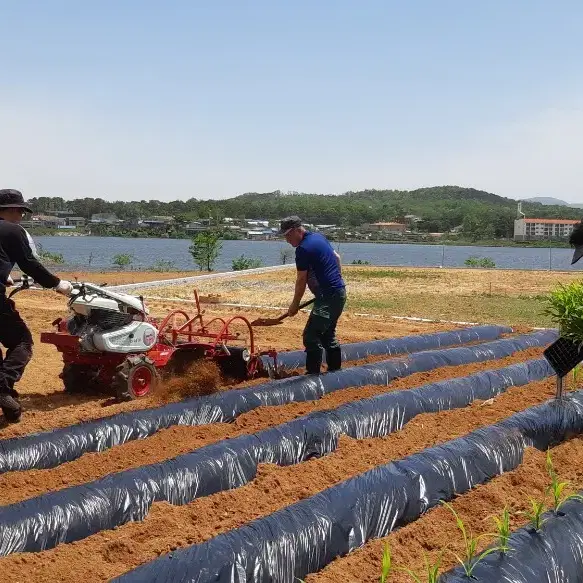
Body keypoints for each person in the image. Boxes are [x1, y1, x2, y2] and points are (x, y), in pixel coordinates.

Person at [0, 189, 73, 423]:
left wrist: (5, 276)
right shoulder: (12, 230)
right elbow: (29, 264)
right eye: (20, 211)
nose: (21, 215)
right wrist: (57, 284)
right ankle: (2, 388)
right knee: (22, 342)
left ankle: (9, 403)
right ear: (10, 210)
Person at [279, 216, 346, 375]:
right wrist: (337, 281)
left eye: (288, 235)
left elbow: (301, 280)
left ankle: (313, 376)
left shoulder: (302, 249)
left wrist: (295, 305)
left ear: (297, 230)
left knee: (311, 336)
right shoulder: (318, 237)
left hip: (328, 296)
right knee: (327, 334)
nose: (287, 240)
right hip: (339, 293)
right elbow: (337, 258)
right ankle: (336, 373)